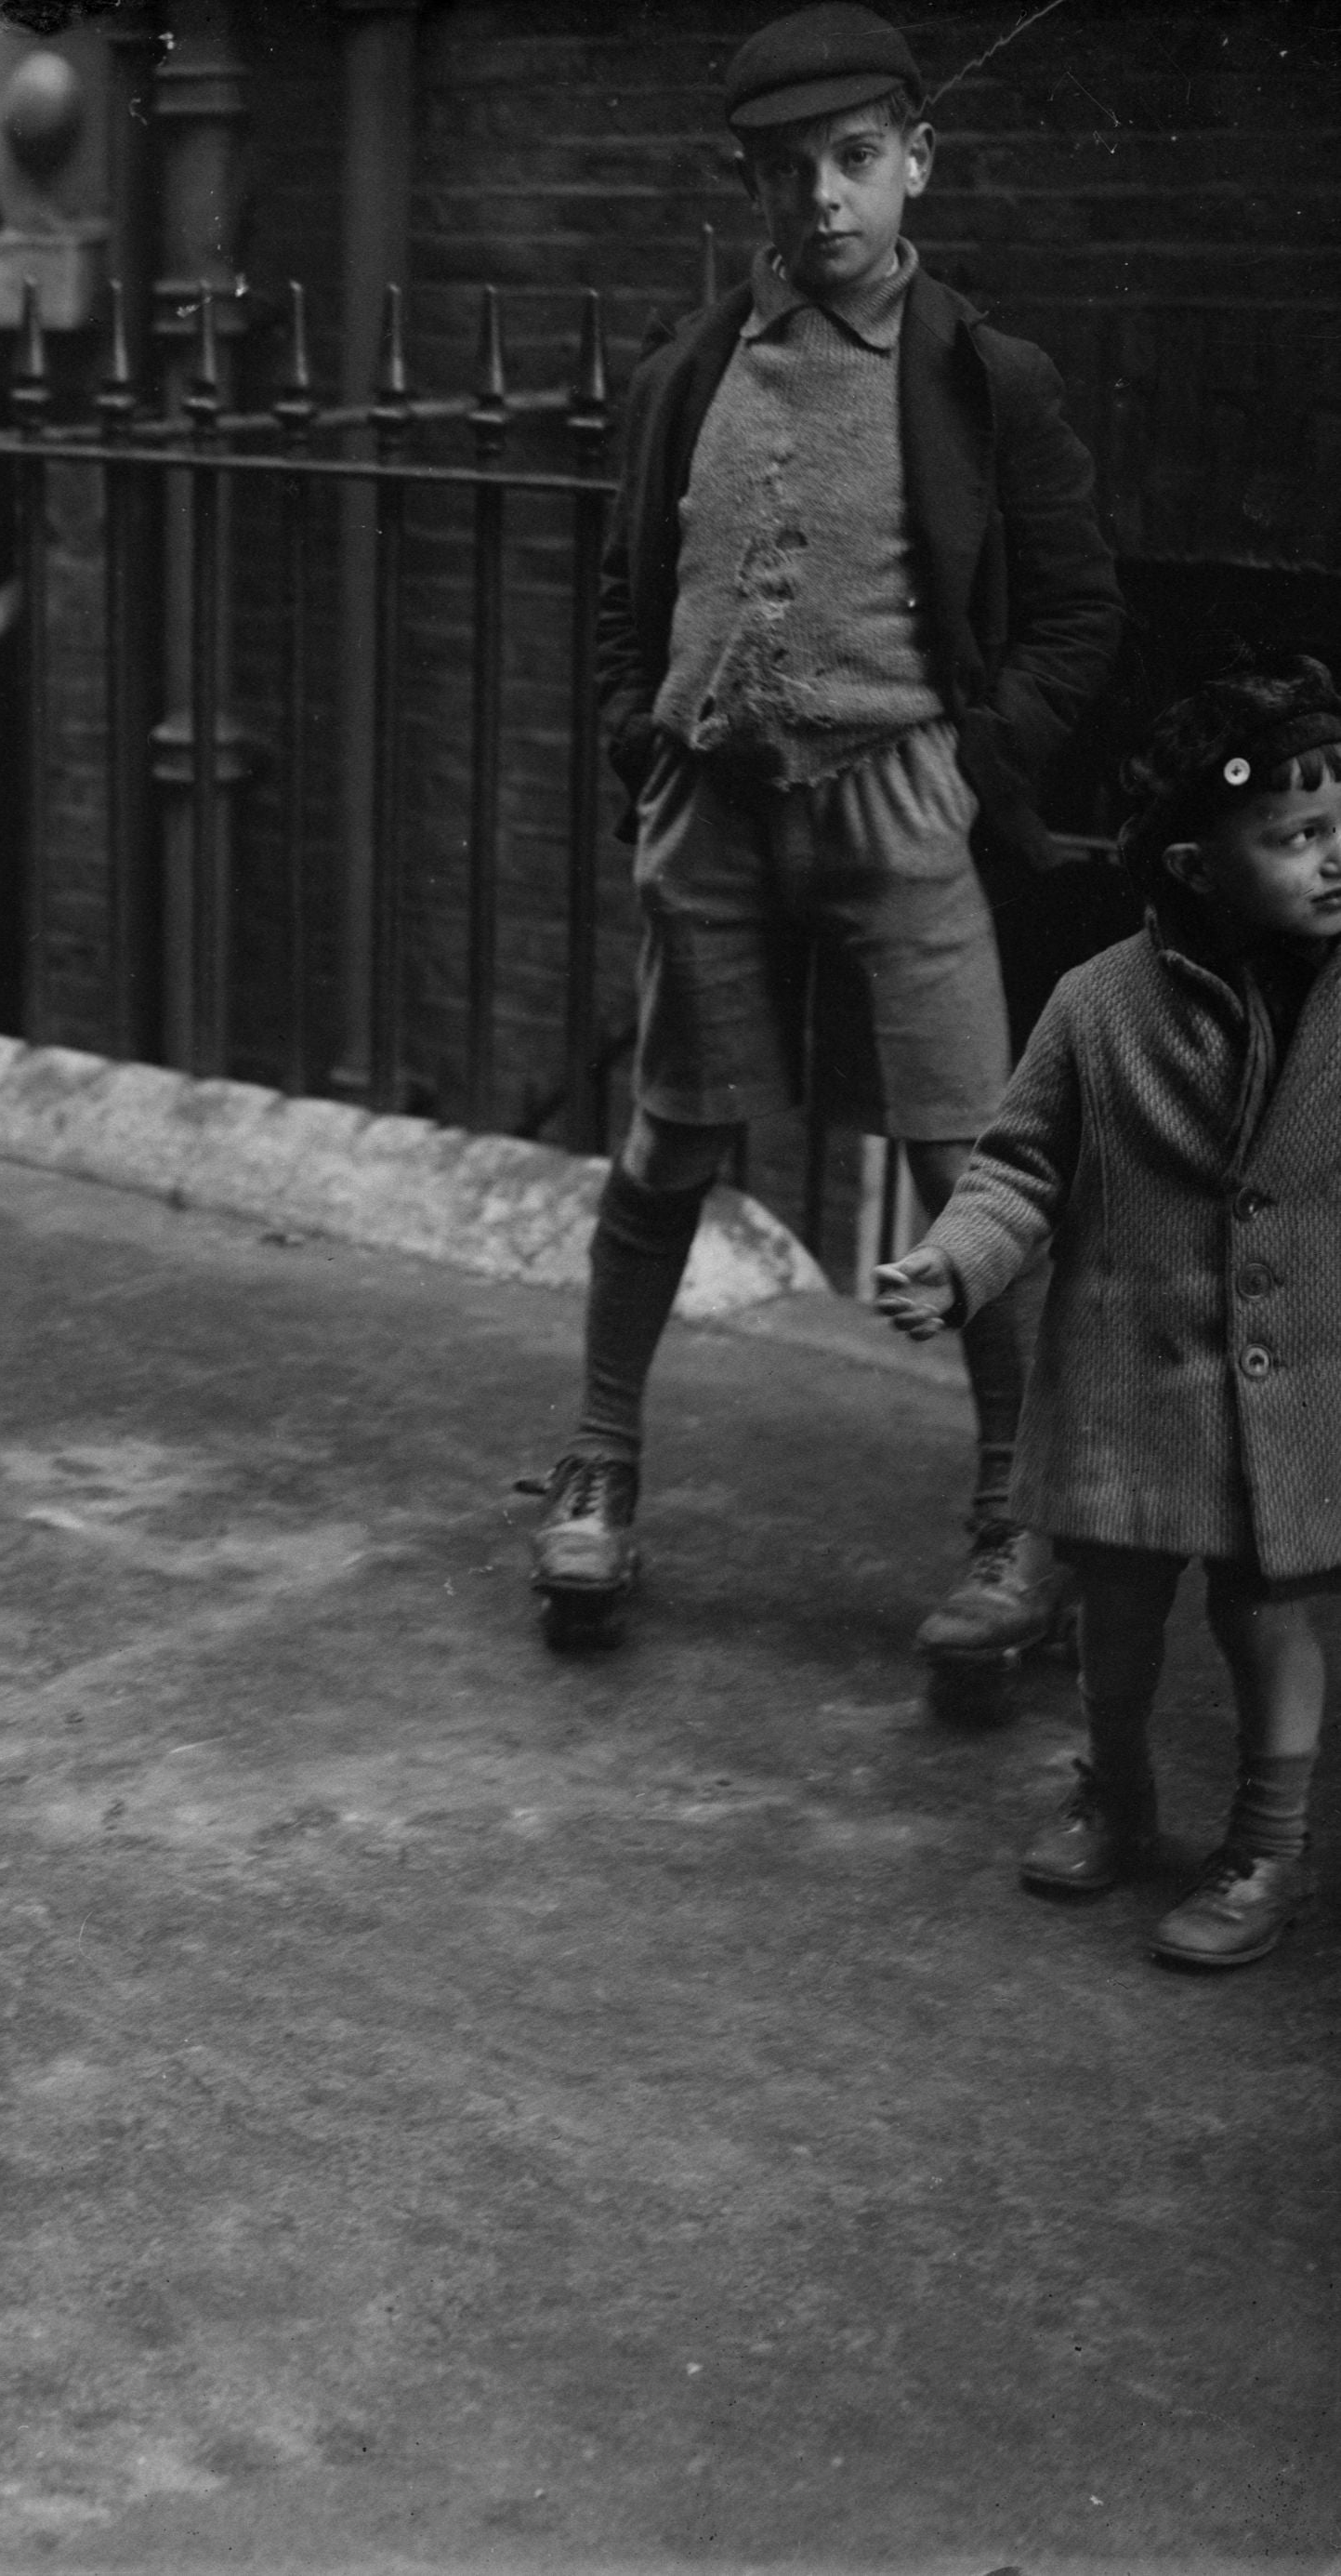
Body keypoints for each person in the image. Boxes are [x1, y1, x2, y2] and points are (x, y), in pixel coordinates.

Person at [528, 1, 1124, 1653]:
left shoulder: (978, 376)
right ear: (750, 188)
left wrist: (969, 757)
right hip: (709, 810)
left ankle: (1013, 1523)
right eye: (785, 174)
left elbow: (1075, 615)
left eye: (853, 162)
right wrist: (632, 747)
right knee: (663, 1149)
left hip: (896, 812)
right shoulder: (681, 373)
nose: (822, 203)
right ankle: (596, 1464)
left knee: (967, 1161)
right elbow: (618, 592)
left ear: (913, 161)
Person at [877, 656, 1341, 1969]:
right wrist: (954, 1263)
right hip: (1129, 1379)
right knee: (1119, 1605)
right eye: (1297, 837)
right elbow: (1018, 1162)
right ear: (1194, 865)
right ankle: (1117, 1790)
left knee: (1263, 1616)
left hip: (1293, 1386)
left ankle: (1268, 1840)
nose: (1333, 860)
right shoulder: (1098, 1003)